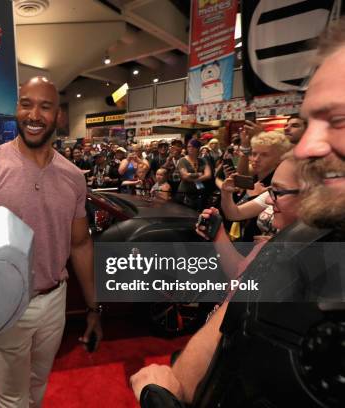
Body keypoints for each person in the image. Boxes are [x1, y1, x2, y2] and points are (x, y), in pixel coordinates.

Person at [129, 22, 345, 406]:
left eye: (339, 121)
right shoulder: (296, 247)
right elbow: (242, 280)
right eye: (308, 123)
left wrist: (160, 398)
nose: (309, 146)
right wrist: (217, 233)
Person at [0, 76, 102, 407]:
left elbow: (80, 245)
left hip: (55, 301)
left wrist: (95, 308)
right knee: (10, 400)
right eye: (26, 104)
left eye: (45, 106)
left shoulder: (72, 176)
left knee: (37, 387)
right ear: (17, 109)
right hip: (4, 306)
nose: (34, 115)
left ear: (58, 116)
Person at [176, 139, 212, 210]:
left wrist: (193, 178)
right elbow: (185, 176)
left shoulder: (203, 160)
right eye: (189, 146)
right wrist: (199, 174)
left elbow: (208, 175)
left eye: (193, 146)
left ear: (198, 148)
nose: (190, 148)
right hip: (185, 193)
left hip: (199, 193)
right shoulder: (182, 160)